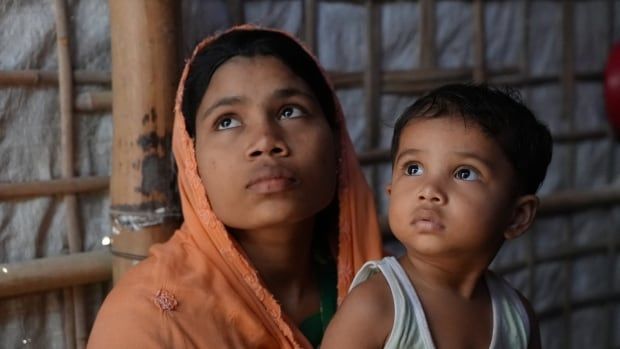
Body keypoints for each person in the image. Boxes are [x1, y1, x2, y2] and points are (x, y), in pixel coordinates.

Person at [88, 25, 383, 348]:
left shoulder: (393, 291)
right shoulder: (145, 323)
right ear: (191, 159)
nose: (266, 141)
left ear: (336, 137)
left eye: (290, 111)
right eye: (227, 121)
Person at [321, 84, 552, 349]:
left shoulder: (518, 318)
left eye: (464, 173)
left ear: (517, 216)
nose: (429, 191)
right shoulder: (377, 306)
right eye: (414, 168)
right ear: (391, 191)